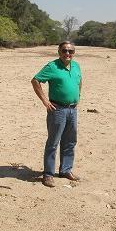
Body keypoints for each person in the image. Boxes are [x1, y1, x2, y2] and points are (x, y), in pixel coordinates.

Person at [31, 41, 82, 188]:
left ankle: (66, 170)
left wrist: (78, 95)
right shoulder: (52, 66)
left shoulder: (76, 65)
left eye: (71, 51)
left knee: (70, 142)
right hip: (57, 109)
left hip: (72, 110)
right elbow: (35, 80)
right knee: (53, 143)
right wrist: (45, 101)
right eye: (64, 51)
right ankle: (48, 174)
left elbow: (79, 81)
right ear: (59, 52)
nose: (67, 54)